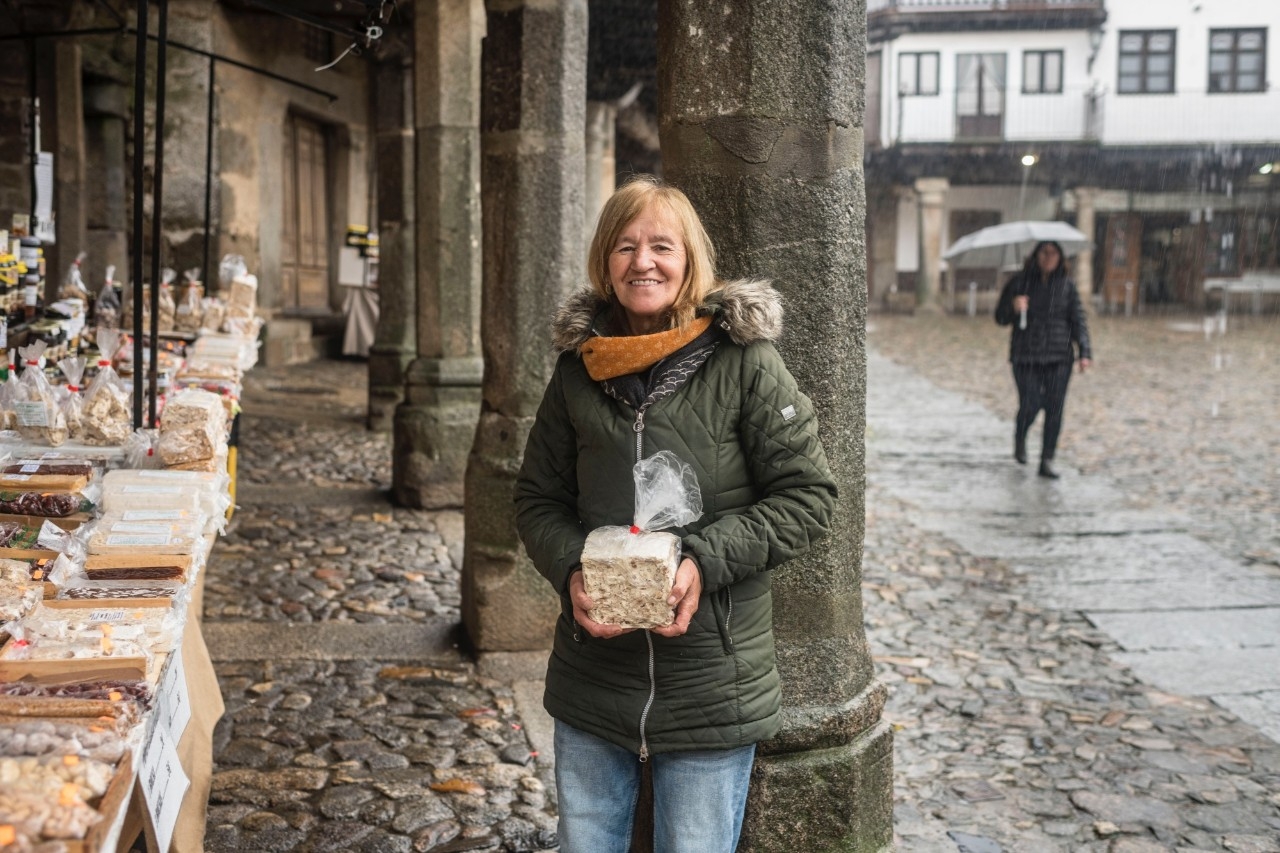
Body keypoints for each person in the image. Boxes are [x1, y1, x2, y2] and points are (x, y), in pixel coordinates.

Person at [514, 175, 837, 853]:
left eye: (662, 245)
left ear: (690, 259)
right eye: (626, 246)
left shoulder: (745, 362)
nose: (644, 262)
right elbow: (537, 499)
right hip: (594, 678)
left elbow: (808, 495)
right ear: (605, 260)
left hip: (710, 684)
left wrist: (702, 562)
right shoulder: (577, 371)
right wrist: (572, 569)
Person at [994, 240, 1093, 479]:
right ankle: (1020, 435)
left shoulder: (1067, 286)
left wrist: (1085, 352)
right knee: (1031, 402)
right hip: (1025, 354)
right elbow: (1000, 318)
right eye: (1044, 253)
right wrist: (1013, 306)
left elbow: (1078, 320)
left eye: (1054, 253)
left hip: (1059, 356)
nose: (1049, 258)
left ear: (1060, 257)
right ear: (1036, 255)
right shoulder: (1019, 283)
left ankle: (1047, 459)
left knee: (1055, 408)